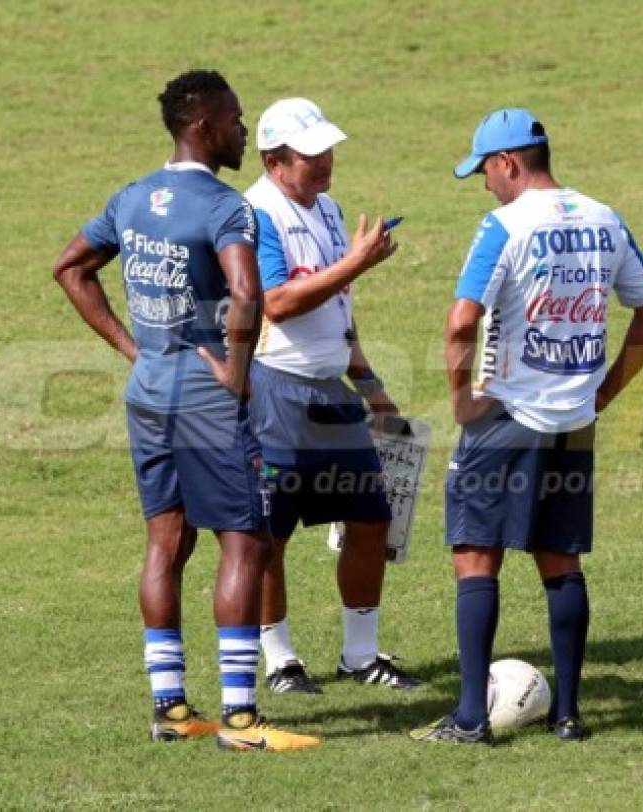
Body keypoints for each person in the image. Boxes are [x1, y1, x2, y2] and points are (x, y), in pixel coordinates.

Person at [51, 70, 319, 751]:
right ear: (202, 126)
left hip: (149, 398)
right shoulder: (228, 209)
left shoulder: (134, 198)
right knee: (244, 541)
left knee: (166, 544)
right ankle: (239, 719)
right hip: (206, 404)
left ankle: (169, 708)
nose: (241, 129)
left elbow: (71, 268)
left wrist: (133, 349)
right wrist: (235, 374)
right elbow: (247, 295)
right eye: (233, 119)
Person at [412, 108, 643, 744]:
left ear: (507, 163)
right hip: (574, 420)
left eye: (484, 171)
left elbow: (458, 323)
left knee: (476, 556)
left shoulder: (503, 225)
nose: (484, 185)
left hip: (506, 415)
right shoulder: (604, 218)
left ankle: (472, 716)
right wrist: (604, 391)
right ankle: (569, 714)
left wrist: (459, 400)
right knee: (561, 562)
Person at [242, 97, 422, 693]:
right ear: (273, 160)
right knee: (271, 534)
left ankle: (360, 655)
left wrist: (373, 390)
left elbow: (338, 313)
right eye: (310, 155)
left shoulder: (328, 208)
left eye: (328, 151)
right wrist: (356, 263)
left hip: (332, 390)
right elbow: (278, 303)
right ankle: (281, 661)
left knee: (372, 518)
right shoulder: (255, 214)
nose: (325, 164)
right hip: (274, 389)